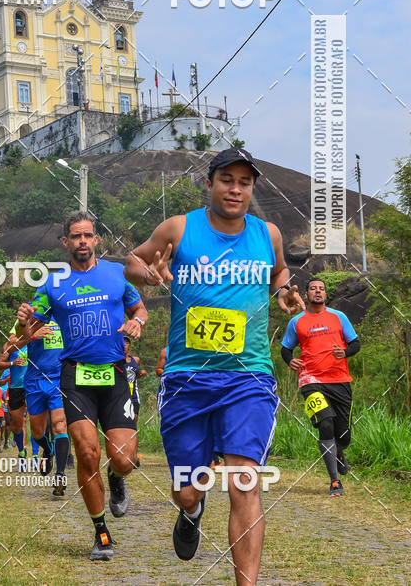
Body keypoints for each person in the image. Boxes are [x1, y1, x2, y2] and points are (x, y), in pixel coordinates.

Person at [124, 147, 304, 584]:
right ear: (209, 183)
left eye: (244, 182)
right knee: (187, 490)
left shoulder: (268, 234)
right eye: (227, 180)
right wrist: (149, 276)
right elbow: (133, 260)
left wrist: (284, 291)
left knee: (245, 482)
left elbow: (280, 272)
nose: (235, 189)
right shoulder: (180, 228)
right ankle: (191, 511)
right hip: (187, 378)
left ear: (252, 189)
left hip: (249, 377)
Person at [15, 210, 148, 562]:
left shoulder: (117, 274)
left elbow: (140, 310)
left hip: (115, 374)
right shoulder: (52, 285)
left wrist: (137, 322)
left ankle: (116, 477)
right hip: (75, 377)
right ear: (66, 242)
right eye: (76, 236)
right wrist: (23, 322)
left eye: (88, 235)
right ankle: (101, 532)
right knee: (87, 452)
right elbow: (25, 334)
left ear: (97, 239)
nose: (83, 241)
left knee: (124, 459)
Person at [281, 278, 361, 497]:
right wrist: (290, 361)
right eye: (313, 289)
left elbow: (355, 344)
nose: (318, 291)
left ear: (325, 294)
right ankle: (334, 481)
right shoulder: (297, 322)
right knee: (325, 425)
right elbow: (286, 348)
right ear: (306, 294)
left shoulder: (339, 317)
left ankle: (339, 451)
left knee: (343, 435)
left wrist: (345, 352)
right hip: (311, 381)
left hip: (340, 380)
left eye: (321, 289)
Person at [23, 321, 70, 496]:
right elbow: (11, 345)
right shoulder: (31, 318)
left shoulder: (66, 313)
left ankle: (60, 475)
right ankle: (48, 450)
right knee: (37, 432)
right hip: (34, 381)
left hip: (59, 380)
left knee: (60, 426)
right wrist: (32, 336)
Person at [0, 341, 28, 458]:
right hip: (15, 389)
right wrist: (13, 363)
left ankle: (33, 452)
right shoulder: (11, 346)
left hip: (32, 385)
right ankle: (21, 448)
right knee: (15, 425)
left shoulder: (34, 342)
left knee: (31, 421)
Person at [123, 335, 147, 422]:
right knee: (121, 422)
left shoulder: (136, 360)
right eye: (122, 342)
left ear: (129, 346)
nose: (124, 345)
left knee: (133, 422)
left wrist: (141, 373)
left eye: (127, 343)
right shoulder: (114, 360)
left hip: (133, 395)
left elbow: (135, 376)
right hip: (119, 395)